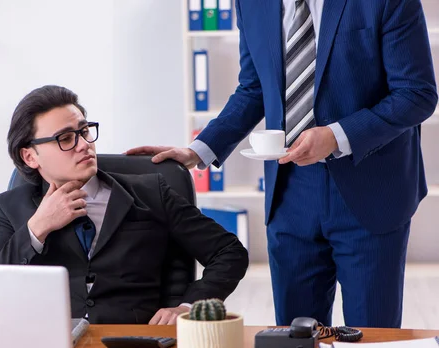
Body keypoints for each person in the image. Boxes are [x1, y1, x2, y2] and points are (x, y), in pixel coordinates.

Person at [127, 0, 438, 328]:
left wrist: (336, 136)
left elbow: (416, 94)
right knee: (295, 344)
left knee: (373, 341)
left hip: (372, 191)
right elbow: (254, 89)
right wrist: (198, 150)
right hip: (290, 195)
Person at [0, 85, 248, 325]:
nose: (83, 145)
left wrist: (187, 308)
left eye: (84, 131)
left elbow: (229, 252)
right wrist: (37, 228)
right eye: (66, 138)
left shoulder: (151, 192)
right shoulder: (11, 207)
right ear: (30, 156)